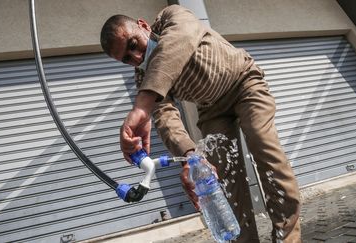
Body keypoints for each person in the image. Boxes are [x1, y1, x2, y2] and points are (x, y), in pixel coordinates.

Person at [100, 4, 301, 243]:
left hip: (245, 84)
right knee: (222, 180)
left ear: (143, 26)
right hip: (212, 109)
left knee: (263, 147)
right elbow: (165, 117)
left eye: (134, 45)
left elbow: (178, 41)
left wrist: (142, 105)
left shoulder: (171, 17)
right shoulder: (144, 77)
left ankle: (287, 237)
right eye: (126, 59)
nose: (135, 57)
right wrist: (190, 156)